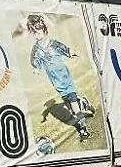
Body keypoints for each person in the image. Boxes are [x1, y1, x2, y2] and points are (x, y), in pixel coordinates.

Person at [25, 13, 94, 142]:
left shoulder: (54, 44)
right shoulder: (36, 50)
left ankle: (83, 129)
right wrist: (36, 69)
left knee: (73, 103)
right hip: (56, 82)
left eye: (38, 30)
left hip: (65, 77)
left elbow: (66, 50)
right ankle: (84, 102)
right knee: (68, 101)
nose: (37, 34)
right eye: (34, 32)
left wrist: (73, 53)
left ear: (44, 29)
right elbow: (35, 62)